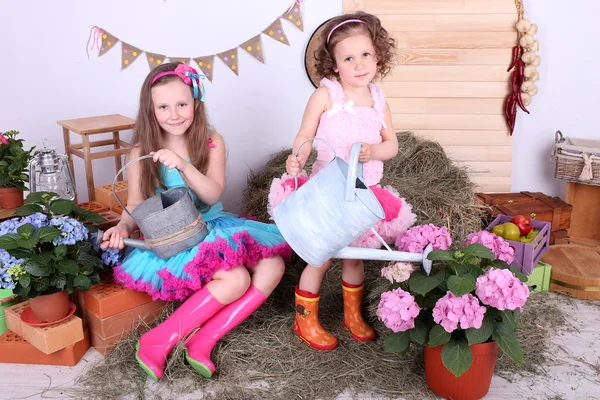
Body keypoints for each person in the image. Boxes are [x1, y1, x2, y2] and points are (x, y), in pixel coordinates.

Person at [101, 62, 291, 380]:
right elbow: (134, 204)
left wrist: (184, 167)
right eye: (163, 106)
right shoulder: (140, 152)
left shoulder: (211, 141)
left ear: (195, 103)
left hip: (212, 225)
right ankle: (158, 339)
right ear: (151, 110)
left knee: (274, 266)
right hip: (176, 236)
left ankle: (203, 339)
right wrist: (122, 227)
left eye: (182, 104)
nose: (174, 114)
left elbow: (213, 195)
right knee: (236, 280)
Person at [267, 12, 416, 351]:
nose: (359, 64)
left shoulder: (378, 99)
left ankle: (353, 315)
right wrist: (297, 160)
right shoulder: (326, 96)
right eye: (348, 58)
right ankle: (305, 319)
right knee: (320, 256)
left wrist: (374, 150)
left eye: (366, 54)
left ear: (378, 55)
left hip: (364, 194)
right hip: (328, 191)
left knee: (354, 258)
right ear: (334, 65)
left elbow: (392, 145)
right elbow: (305, 135)